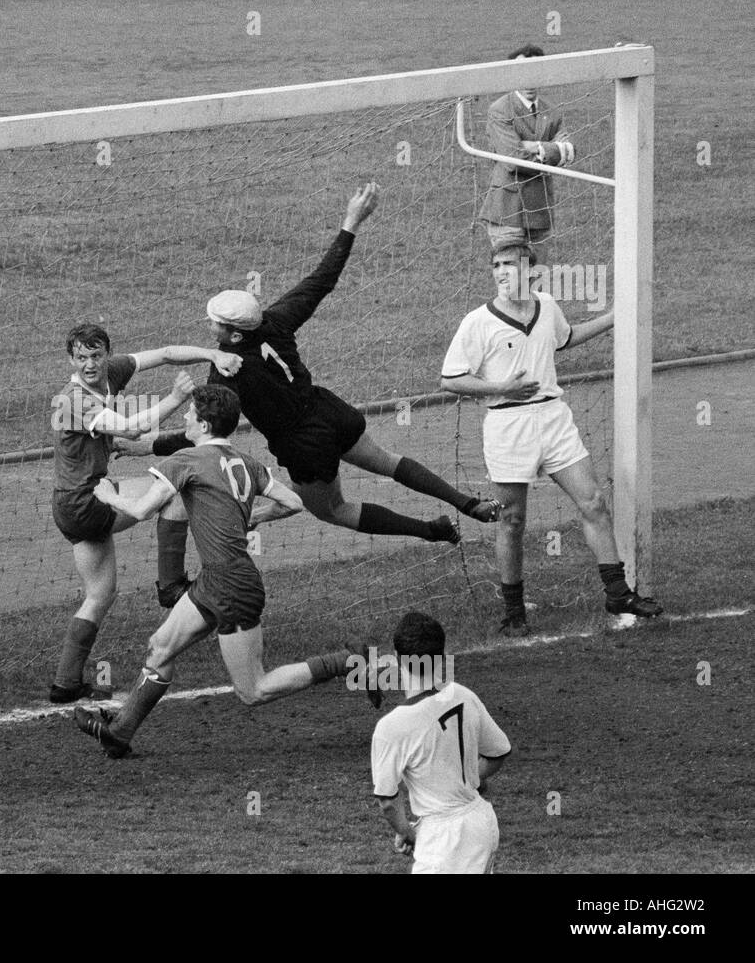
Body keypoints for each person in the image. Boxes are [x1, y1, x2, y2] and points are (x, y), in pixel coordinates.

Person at [121, 184, 501, 608]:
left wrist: (144, 447)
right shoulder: (276, 321)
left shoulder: (226, 370)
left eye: (213, 324)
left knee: (333, 510)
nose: (208, 327)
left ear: (231, 333)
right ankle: (467, 503)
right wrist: (351, 222)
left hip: (304, 446)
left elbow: (203, 431)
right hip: (331, 411)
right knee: (390, 464)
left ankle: (430, 530)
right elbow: (322, 279)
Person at [74, 385, 370, 759]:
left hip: (231, 585)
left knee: (254, 690)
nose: (184, 418)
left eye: (190, 414)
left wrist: (108, 495)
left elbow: (143, 510)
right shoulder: (248, 463)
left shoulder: (186, 460)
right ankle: (120, 732)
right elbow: (293, 502)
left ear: (204, 422)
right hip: (215, 580)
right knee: (160, 646)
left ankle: (349, 662)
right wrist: (252, 517)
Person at [440, 243, 661, 635]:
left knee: (594, 501)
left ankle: (617, 592)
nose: (501, 272)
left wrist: (614, 318)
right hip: (509, 425)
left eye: (509, 265)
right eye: (496, 265)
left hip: (554, 419)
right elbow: (450, 378)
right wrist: (501, 387)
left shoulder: (546, 305)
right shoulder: (477, 322)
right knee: (512, 520)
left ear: (531, 271)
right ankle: (513, 612)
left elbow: (566, 336)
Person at [48, 323, 242, 704]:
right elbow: (134, 427)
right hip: (85, 503)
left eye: (96, 355)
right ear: (71, 360)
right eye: (82, 358)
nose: (90, 364)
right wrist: (174, 398)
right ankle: (171, 587)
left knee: (100, 595)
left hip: (72, 504)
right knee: (173, 493)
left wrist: (212, 355)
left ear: (106, 354)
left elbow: (167, 352)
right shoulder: (72, 401)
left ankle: (65, 684)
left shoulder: (111, 373)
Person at [370, 611, 511, 874]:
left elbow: (388, 802)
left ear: (398, 660)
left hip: (445, 840)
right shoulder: (463, 694)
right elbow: (498, 752)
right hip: (482, 823)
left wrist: (407, 832)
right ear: (442, 657)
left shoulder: (391, 727)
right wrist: (467, 783)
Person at [478, 44, 576, 267]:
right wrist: (550, 151)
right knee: (512, 284)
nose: (529, 82)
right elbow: (514, 161)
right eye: (523, 74)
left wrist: (534, 146)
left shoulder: (552, 111)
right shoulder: (500, 110)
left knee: (534, 285)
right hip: (507, 212)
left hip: (540, 211)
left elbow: (569, 151)